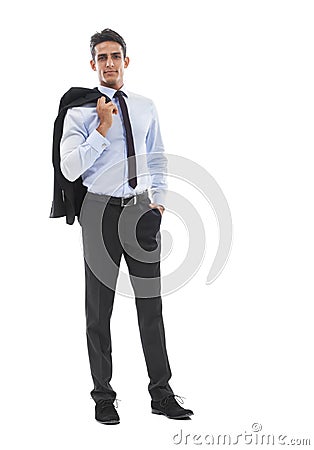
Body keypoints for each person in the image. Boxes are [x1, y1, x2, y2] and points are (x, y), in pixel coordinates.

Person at [58, 28, 193, 425]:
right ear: (93, 65)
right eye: (102, 57)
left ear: (126, 61)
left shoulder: (147, 107)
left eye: (116, 55)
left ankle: (161, 393)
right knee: (98, 310)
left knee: (151, 306)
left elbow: (158, 157)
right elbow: (69, 168)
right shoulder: (79, 111)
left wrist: (160, 203)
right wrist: (101, 129)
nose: (110, 63)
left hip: (140, 213)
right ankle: (103, 396)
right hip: (98, 213)